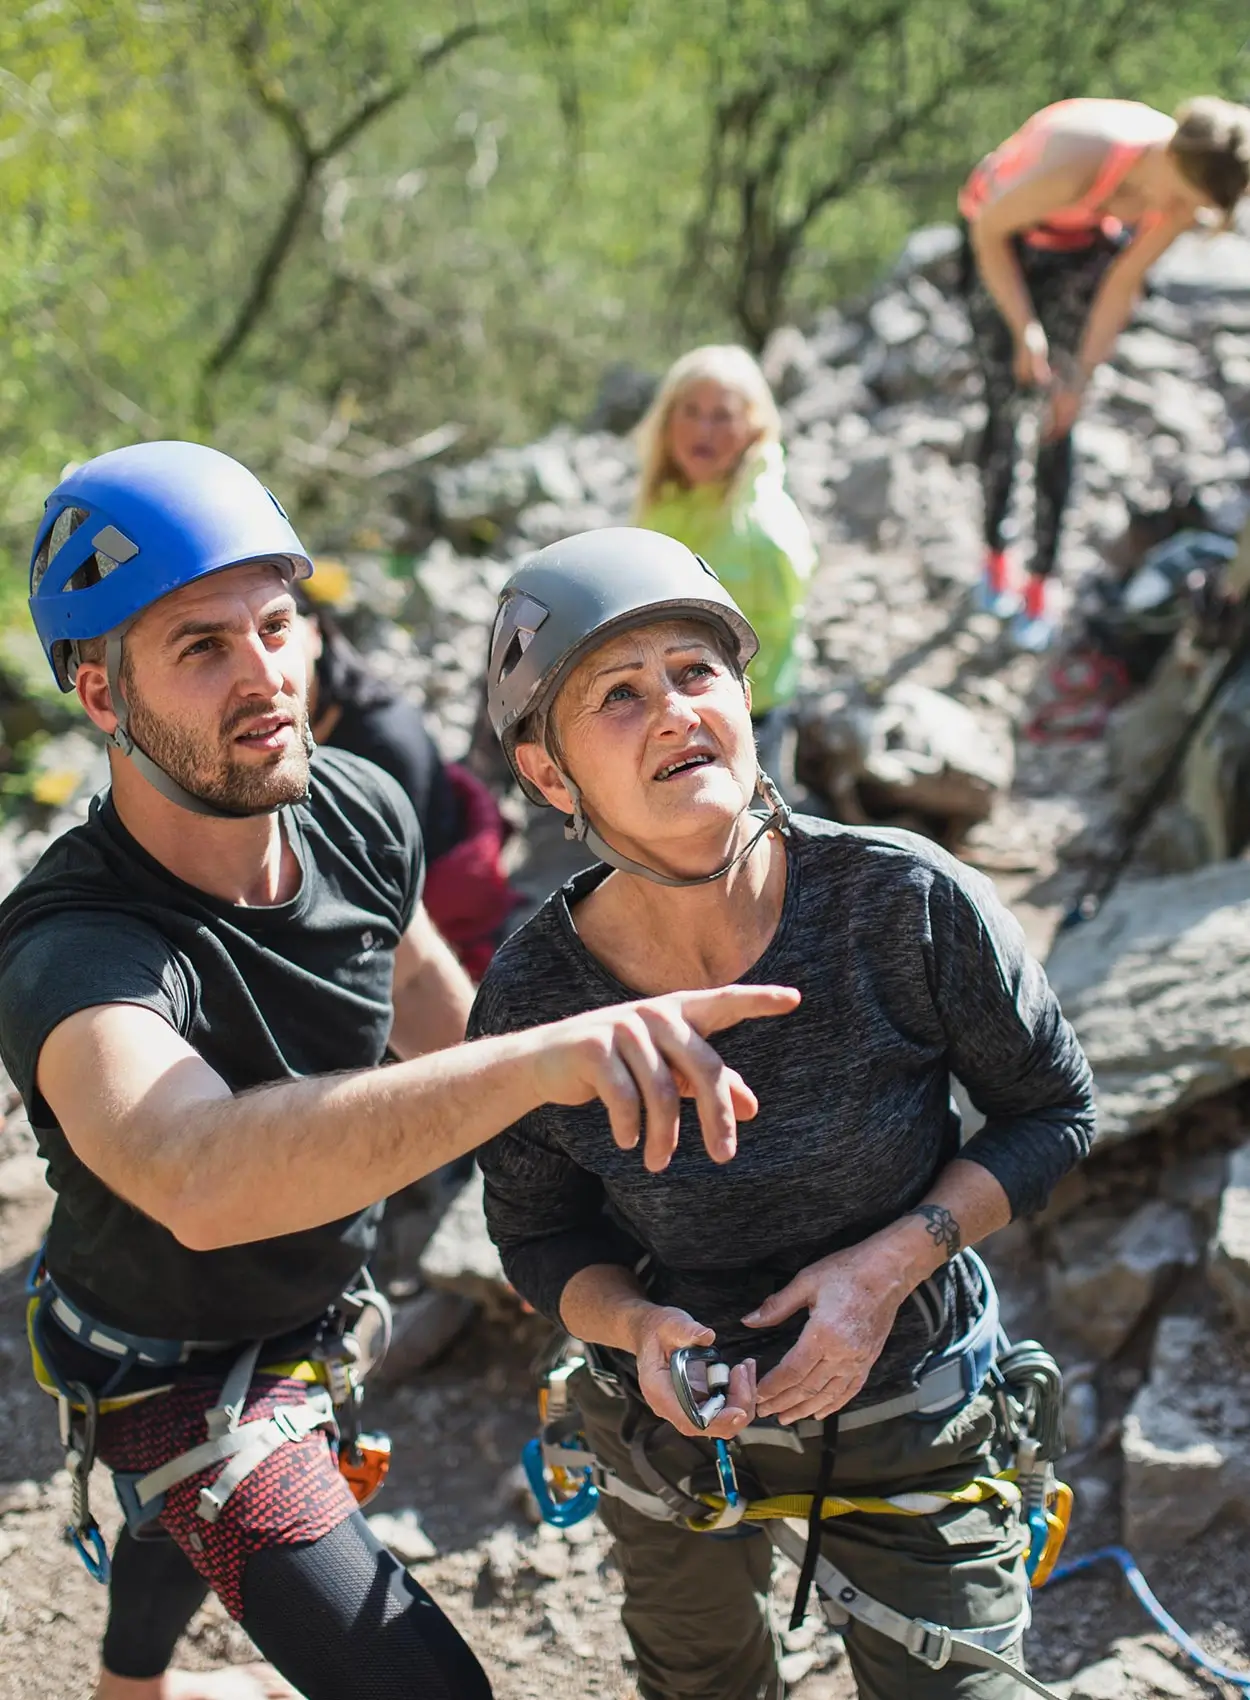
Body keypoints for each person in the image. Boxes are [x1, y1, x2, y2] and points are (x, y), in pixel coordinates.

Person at [1, 444, 799, 1700]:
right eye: (200, 647)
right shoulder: (78, 949)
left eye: (278, 623)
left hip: (314, 1310)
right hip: (154, 1362)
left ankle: (126, 1692)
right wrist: (546, 1059)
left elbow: (438, 1022)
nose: (267, 673)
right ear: (101, 697)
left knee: (167, 1537)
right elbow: (194, 1173)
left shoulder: (356, 807)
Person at [470, 527, 1097, 1700]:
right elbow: (539, 1236)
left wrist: (884, 1268)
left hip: (914, 1392)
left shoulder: (901, 898)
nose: (672, 709)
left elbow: (1050, 1110)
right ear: (549, 775)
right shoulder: (531, 1000)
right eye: (618, 692)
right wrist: (632, 1326)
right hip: (670, 1424)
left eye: (696, 672)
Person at [960, 95, 1250, 651]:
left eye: (1191, 206)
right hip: (1003, 236)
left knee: (1061, 417)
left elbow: (1121, 285)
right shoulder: (1082, 155)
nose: (1175, 210)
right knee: (1007, 404)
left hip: (1079, 245)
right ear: (1169, 154)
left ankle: (1040, 580)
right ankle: (995, 553)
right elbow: (989, 231)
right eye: (1180, 196)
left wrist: (1080, 379)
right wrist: (1025, 329)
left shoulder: (1185, 192)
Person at [296, 586, 518, 980]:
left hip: (428, 913)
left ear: (315, 634)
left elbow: (389, 888)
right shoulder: (307, 720)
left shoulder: (382, 740)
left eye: (274, 630)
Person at [633, 345, 816, 789]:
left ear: (752, 426)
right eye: (691, 412)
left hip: (746, 714)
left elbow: (770, 636)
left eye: (722, 416)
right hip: (675, 704)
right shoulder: (668, 500)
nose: (704, 430)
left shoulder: (761, 526)